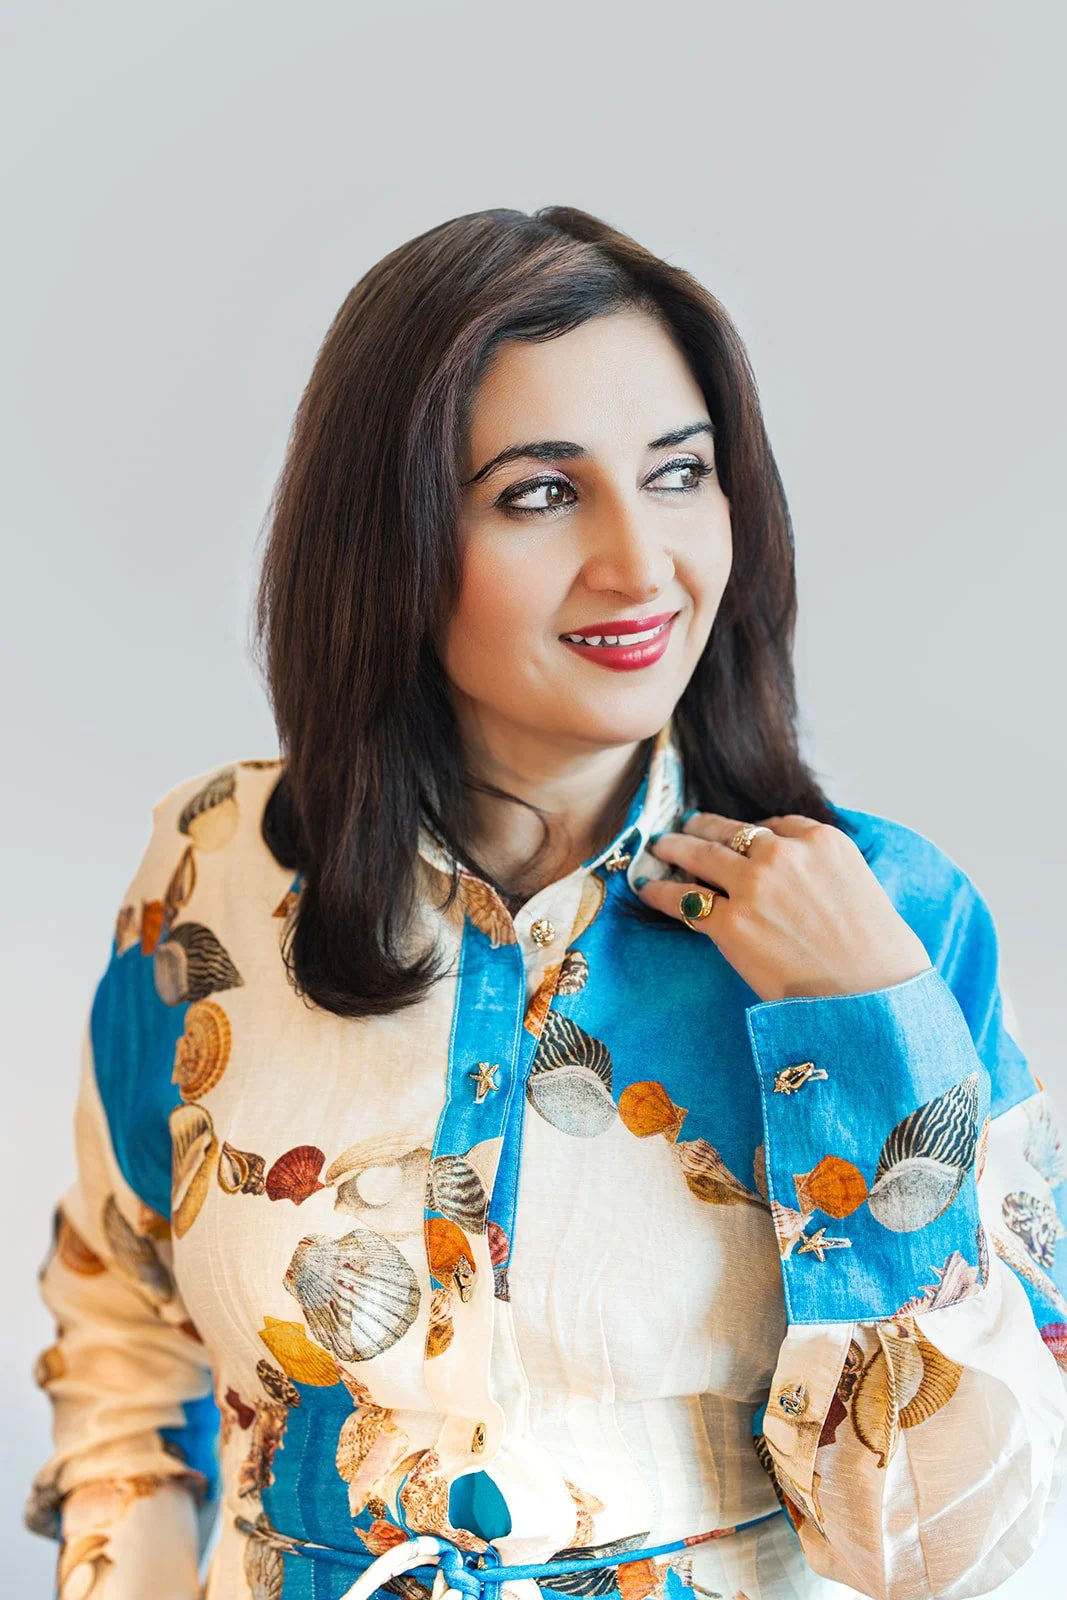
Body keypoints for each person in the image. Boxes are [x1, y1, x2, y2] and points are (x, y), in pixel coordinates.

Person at [23, 205, 1067, 1600]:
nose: (640, 565)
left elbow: (956, 1555)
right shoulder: (214, 866)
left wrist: (865, 1034)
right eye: (538, 492)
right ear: (385, 536)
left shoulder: (886, 923)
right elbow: (123, 1337)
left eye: (678, 474)